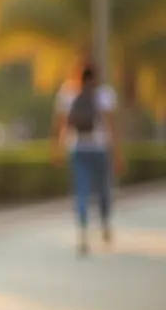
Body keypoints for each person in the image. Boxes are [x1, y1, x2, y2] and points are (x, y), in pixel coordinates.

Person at [52, 58, 123, 255]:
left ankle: (83, 231)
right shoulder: (104, 95)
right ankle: (104, 224)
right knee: (103, 191)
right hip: (99, 149)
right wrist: (117, 154)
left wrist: (57, 148)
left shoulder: (68, 94)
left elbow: (61, 125)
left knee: (81, 192)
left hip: (77, 149)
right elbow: (111, 127)